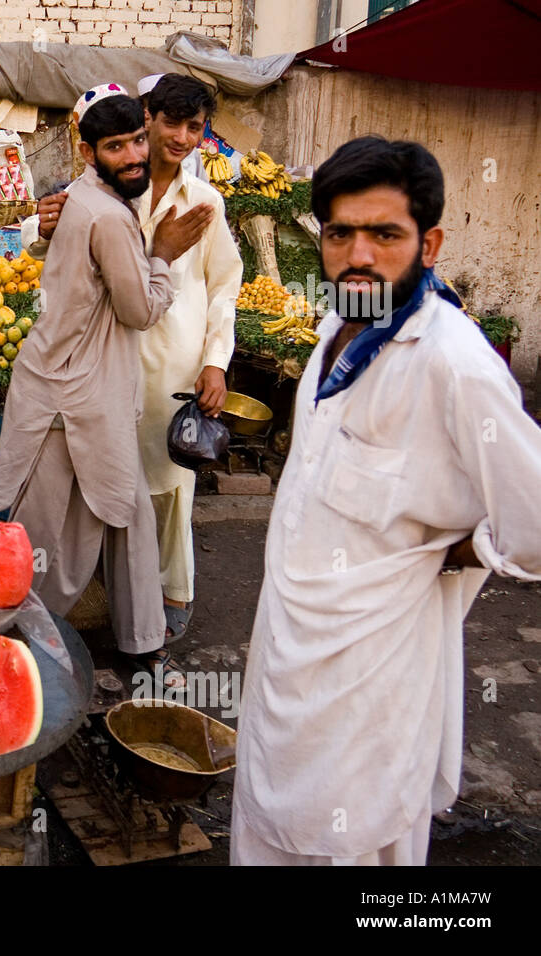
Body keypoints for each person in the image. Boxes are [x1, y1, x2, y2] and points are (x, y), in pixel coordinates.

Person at [231, 136, 541, 865]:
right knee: (266, 827)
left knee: (355, 843)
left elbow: (535, 521)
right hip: (288, 650)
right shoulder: (335, 330)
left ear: (428, 243)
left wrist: (461, 553)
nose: (359, 255)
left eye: (385, 235)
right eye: (341, 233)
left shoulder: (453, 364)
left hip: (375, 680)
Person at [0, 86, 213, 676]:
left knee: (129, 511)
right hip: (73, 401)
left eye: (138, 140)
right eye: (118, 147)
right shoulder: (109, 216)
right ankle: (12, 644)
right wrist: (161, 254)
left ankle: (142, 640)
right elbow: (138, 310)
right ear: (88, 153)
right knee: (54, 544)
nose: (136, 155)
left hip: (89, 393)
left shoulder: (92, 198)